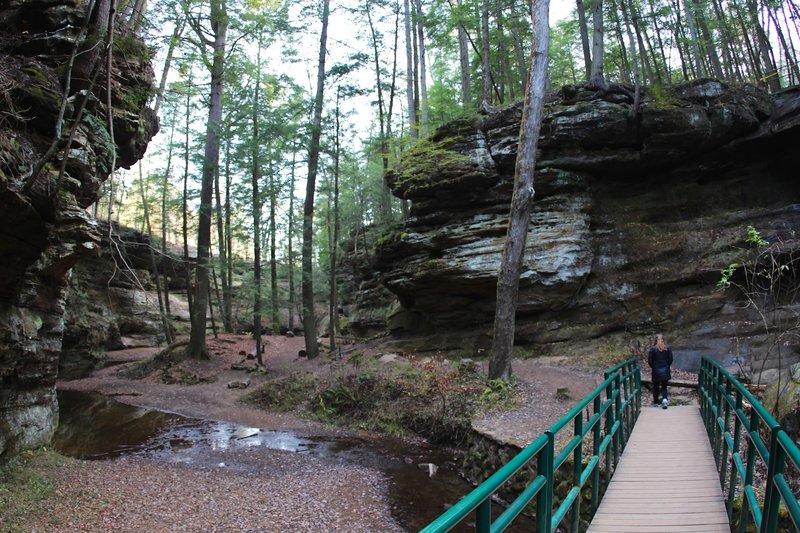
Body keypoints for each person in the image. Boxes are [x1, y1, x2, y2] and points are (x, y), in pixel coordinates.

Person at [648, 334, 673, 409]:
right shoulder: (668, 349)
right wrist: (666, 366)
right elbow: (670, 360)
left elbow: (650, 361)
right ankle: (665, 400)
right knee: (664, 387)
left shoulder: (652, 349)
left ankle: (656, 403)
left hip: (656, 371)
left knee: (655, 387)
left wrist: (654, 367)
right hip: (665, 370)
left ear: (655, 340)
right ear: (663, 340)